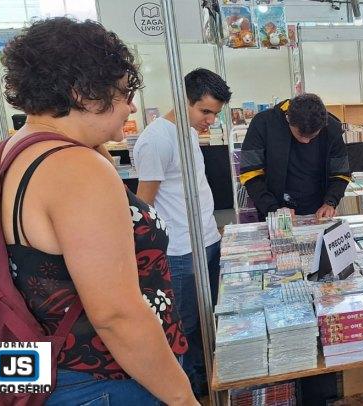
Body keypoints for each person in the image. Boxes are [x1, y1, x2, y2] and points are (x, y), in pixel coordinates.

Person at [0, 18, 195, 404]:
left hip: (48, 366)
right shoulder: (75, 168)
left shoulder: (18, 147)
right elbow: (116, 315)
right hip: (105, 378)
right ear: (83, 92)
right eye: (123, 93)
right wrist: (183, 398)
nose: (131, 106)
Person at [133, 68, 231, 398]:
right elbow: (143, 206)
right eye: (205, 112)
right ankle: (189, 391)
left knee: (209, 318)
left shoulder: (188, 131)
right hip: (178, 251)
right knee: (184, 325)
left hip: (207, 240)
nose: (210, 121)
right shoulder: (156, 140)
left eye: (215, 114)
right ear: (182, 99)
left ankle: (207, 379)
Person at [240, 93, 351, 218]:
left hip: (317, 212)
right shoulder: (263, 123)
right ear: (288, 120)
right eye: (301, 135)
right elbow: (250, 174)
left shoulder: (331, 128)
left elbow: (341, 174)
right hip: (273, 208)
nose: (306, 141)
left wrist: (330, 202)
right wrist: (272, 209)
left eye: (312, 136)